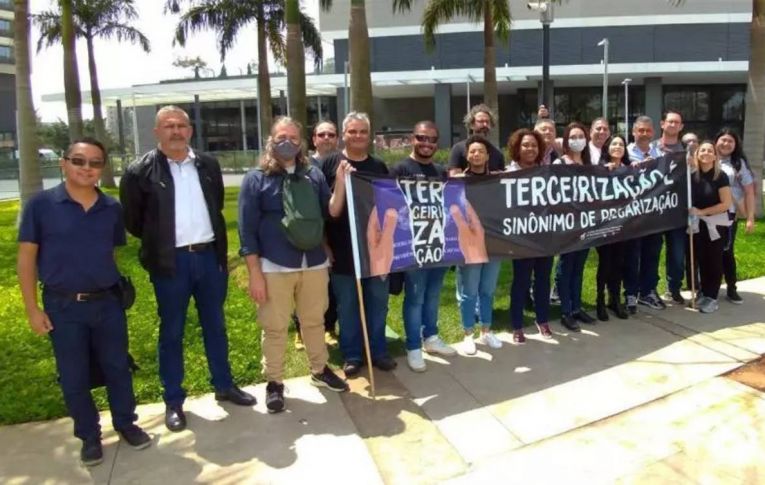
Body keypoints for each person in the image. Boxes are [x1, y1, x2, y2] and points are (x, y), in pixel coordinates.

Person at [120, 106, 255, 433]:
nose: (176, 131)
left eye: (182, 125)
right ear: (157, 132)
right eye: (169, 126)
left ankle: (224, 384)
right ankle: (173, 399)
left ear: (190, 130)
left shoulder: (207, 165)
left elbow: (216, 205)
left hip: (209, 259)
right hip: (171, 263)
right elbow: (134, 222)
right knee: (172, 331)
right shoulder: (139, 172)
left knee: (216, 325)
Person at [18, 138, 151, 466]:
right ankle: (89, 436)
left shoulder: (112, 208)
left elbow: (110, 252)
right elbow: (26, 259)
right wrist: (33, 309)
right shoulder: (41, 205)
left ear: (102, 168)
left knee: (117, 367)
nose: (86, 168)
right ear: (64, 163)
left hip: (107, 303)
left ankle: (126, 423)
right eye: (79, 161)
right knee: (74, 374)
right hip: (63, 307)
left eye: (94, 163)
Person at [239, 117, 348, 413]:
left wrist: (340, 181)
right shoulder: (256, 179)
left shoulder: (313, 175)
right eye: (281, 137)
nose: (287, 142)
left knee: (314, 320)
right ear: (271, 140)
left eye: (292, 137)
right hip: (275, 264)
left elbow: (332, 211)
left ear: (301, 142)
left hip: (313, 262)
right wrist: (255, 274)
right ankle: (274, 382)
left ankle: (319, 369)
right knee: (275, 327)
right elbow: (246, 230)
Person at [322, 111, 397, 378]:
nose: (357, 136)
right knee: (348, 305)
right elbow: (323, 210)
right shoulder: (329, 164)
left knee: (378, 302)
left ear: (369, 135)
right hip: (343, 250)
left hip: (376, 250)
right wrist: (325, 246)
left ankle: (377, 351)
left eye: (362, 131)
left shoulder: (378, 167)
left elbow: (390, 208)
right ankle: (352, 354)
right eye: (352, 131)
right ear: (344, 134)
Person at [390, 121, 457, 371]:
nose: (426, 143)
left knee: (433, 295)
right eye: (422, 138)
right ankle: (413, 347)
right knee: (415, 297)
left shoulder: (441, 172)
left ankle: (431, 337)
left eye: (431, 139)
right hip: (412, 246)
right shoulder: (398, 169)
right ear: (412, 138)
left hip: (438, 244)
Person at [451, 135, 503, 354]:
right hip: (470, 245)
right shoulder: (457, 182)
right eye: (472, 151)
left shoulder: (497, 180)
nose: (476, 154)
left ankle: (486, 330)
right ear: (467, 155)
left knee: (487, 290)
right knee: (469, 291)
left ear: (487, 155)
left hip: (493, 244)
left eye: (480, 151)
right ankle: (468, 333)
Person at [292, 120, 341, 351]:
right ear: (314, 139)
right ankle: (300, 330)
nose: (327, 138)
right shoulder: (302, 165)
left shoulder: (342, 163)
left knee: (329, 287)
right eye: (322, 134)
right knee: (301, 285)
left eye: (331, 134)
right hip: (309, 234)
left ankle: (329, 327)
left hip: (336, 234)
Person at [507, 129, 555, 343]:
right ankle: (517, 324)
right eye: (525, 145)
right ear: (517, 148)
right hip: (521, 237)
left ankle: (542, 319)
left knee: (543, 279)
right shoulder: (509, 174)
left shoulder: (546, 172)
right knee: (521, 281)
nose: (530, 149)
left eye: (534, 145)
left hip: (544, 234)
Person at [554, 122, 595, 332]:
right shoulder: (560, 163)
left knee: (579, 267)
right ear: (566, 140)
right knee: (566, 266)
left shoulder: (589, 163)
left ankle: (577, 307)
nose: (577, 140)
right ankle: (566, 310)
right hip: (568, 224)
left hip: (587, 223)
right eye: (573, 136)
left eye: (580, 136)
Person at [624, 116, 665, 313]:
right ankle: (631, 292)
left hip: (655, 215)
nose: (644, 134)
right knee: (633, 254)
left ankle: (648, 291)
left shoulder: (660, 154)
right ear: (633, 132)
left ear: (653, 133)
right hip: (633, 215)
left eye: (648, 131)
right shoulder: (625, 153)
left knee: (652, 253)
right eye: (641, 130)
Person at [689, 141, 733, 313]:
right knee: (700, 259)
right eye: (703, 150)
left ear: (715, 156)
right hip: (697, 226)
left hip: (715, 224)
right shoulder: (692, 176)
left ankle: (712, 297)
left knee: (713, 260)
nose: (706, 153)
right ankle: (703, 292)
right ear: (697, 154)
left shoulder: (720, 176)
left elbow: (726, 203)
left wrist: (702, 212)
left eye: (710, 151)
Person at [715, 128, 756, 304]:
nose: (726, 144)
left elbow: (749, 192)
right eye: (723, 140)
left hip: (728, 215)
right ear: (716, 141)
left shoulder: (738, 163)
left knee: (726, 252)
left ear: (735, 145)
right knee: (707, 253)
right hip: (706, 214)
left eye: (730, 141)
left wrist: (750, 217)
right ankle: (708, 288)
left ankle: (731, 287)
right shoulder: (706, 156)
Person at [654, 111, 688, 305]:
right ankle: (649, 289)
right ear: (662, 124)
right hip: (654, 210)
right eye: (670, 121)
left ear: (681, 126)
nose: (673, 125)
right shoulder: (653, 149)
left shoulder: (687, 151)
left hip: (677, 209)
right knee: (652, 252)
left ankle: (674, 288)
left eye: (677, 122)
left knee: (677, 253)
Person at [595, 135, 631, 320]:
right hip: (605, 225)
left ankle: (615, 299)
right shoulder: (600, 169)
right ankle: (600, 300)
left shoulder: (630, 170)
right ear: (607, 148)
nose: (618, 147)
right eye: (614, 144)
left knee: (619, 263)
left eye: (621, 144)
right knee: (605, 263)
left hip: (623, 226)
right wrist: (604, 172)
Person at [447, 104, 505, 175]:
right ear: (471, 124)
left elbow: (501, 180)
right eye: (480, 121)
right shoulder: (458, 148)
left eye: (487, 122)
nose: (485, 125)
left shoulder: (497, 153)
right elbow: (454, 179)